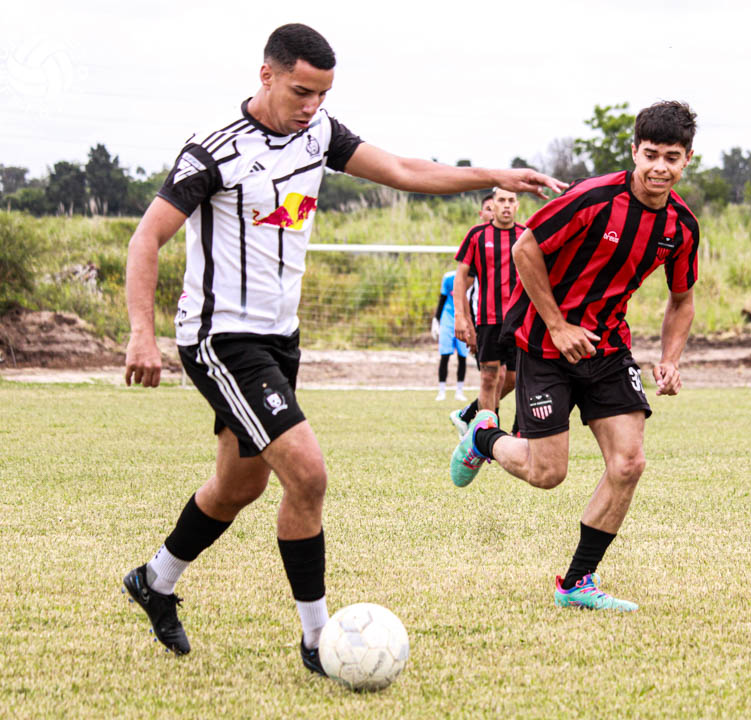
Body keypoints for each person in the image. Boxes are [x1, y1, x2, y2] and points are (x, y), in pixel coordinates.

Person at [121, 23, 563, 673]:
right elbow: (146, 239)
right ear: (267, 74)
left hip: (280, 340)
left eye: (323, 95)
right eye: (301, 92)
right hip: (222, 338)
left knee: (238, 485)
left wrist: (494, 175)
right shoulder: (214, 150)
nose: (312, 107)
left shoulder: (320, 134)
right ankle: (317, 641)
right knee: (308, 474)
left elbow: (405, 170)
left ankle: (154, 580)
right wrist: (141, 332)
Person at [448, 101, 700, 611]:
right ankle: (483, 436)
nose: (660, 167)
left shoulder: (681, 226)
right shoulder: (592, 198)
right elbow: (525, 249)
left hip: (608, 347)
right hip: (545, 344)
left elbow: (682, 298)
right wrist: (558, 325)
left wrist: (671, 358)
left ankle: (577, 582)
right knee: (548, 474)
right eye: (651, 154)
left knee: (629, 463)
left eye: (671, 158)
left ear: (687, 159)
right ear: (635, 151)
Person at [452, 188, 524, 431]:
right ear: (492, 205)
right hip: (488, 319)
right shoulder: (477, 235)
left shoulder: (525, 235)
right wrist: (460, 317)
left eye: (511, 200)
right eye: (501, 200)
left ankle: (472, 416)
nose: (506, 205)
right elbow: (460, 279)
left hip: (519, 321)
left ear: (517, 205)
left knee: (513, 379)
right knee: (489, 377)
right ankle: (486, 434)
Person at [432, 268, 470, 401]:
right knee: (445, 355)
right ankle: (441, 391)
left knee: (462, 356)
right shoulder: (448, 278)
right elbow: (442, 299)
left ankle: (459, 391)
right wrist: (436, 320)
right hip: (448, 319)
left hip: (464, 319)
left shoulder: (471, 278)